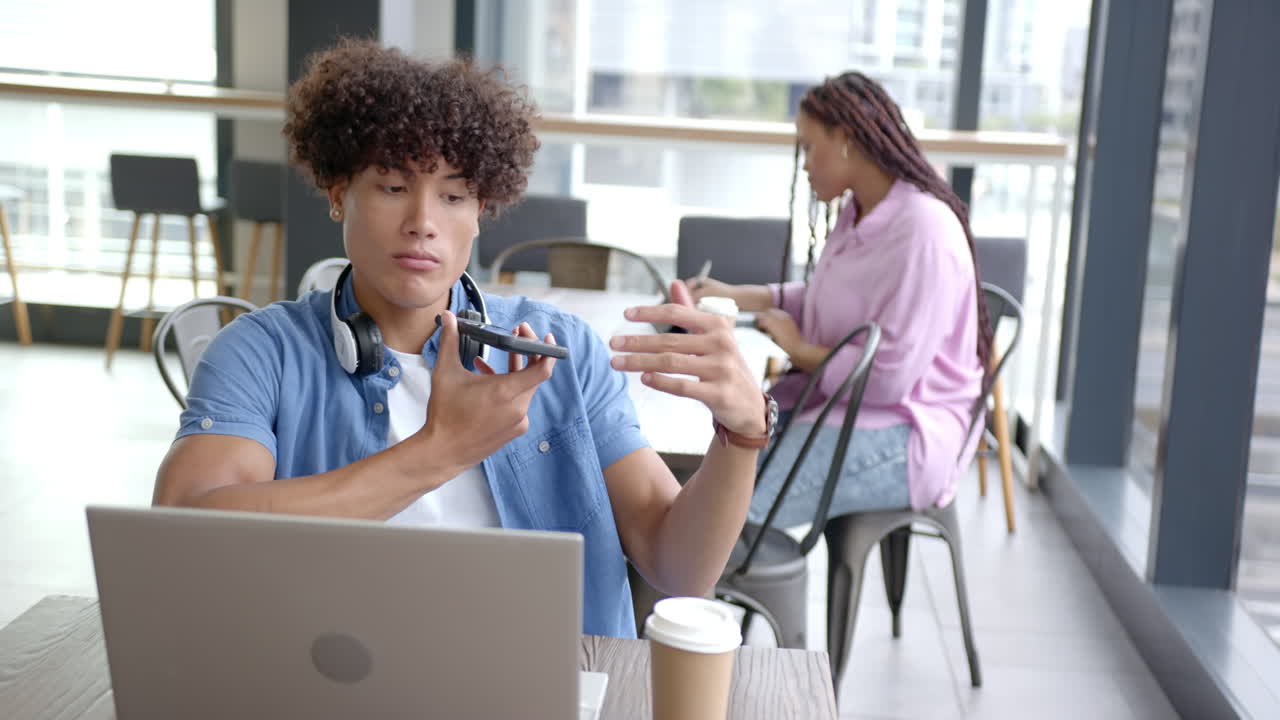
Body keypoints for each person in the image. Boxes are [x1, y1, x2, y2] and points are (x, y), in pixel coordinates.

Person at [152, 39, 775, 639]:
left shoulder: (561, 349)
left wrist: (742, 436)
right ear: (340, 193)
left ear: (480, 212)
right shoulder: (261, 353)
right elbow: (184, 537)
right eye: (393, 187)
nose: (423, 222)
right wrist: (439, 451)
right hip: (338, 677)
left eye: (453, 195)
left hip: (546, 678)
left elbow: (679, 569)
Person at [690, 71, 991, 528]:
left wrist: (799, 350)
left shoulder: (925, 230)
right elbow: (828, 299)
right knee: (716, 483)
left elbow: (887, 380)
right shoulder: (857, 213)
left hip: (909, 431)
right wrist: (736, 296)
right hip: (844, 408)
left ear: (846, 139)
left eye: (809, 147)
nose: (804, 165)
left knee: (729, 520)